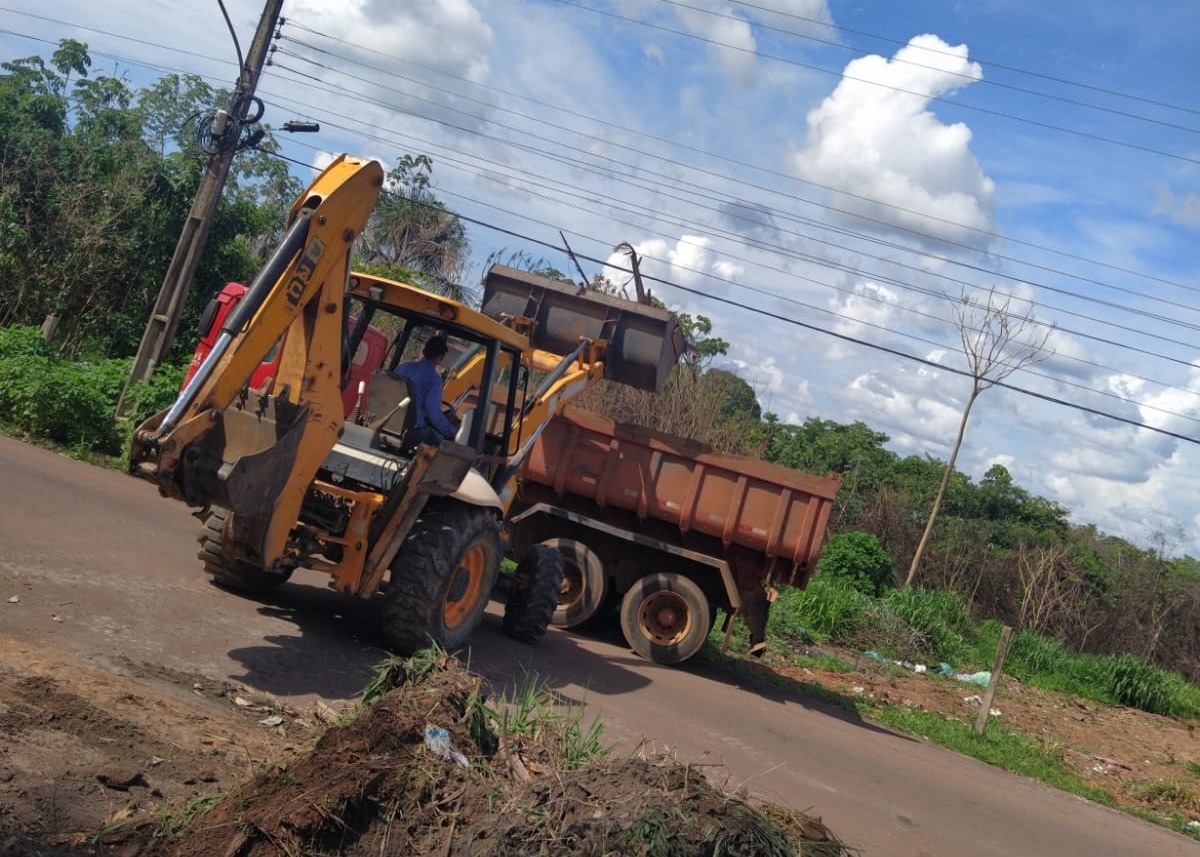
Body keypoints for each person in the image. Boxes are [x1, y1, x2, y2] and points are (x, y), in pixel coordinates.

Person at [391, 335, 459, 445]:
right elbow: (433, 414)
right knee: (441, 442)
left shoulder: (401, 368)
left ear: (424, 351)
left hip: (388, 421)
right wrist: (452, 432)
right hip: (410, 430)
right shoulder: (434, 380)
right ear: (440, 358)